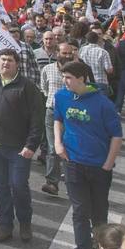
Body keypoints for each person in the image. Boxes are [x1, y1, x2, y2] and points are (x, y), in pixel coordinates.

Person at [55, 59, 124, 249]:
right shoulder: (61, 97)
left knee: (99, 213)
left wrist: (108, 163)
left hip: (98, 166)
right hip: (73, 163)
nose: (65, 82)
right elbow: (57, 119)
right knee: (79, 212)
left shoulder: (103, 103)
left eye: (69, 78)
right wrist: (58, 143)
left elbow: (116, 135)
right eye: (63, 77)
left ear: (83, 78)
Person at [0, 48, 44, 242]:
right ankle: (5, 224)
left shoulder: (27, 87)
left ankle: (25, 222)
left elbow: (38, 118)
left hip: (19, 149)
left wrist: (31, 145)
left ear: (17, 64)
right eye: (3, 60)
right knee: (1, 187)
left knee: (19, 185)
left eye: (10, 61)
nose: (5, 63)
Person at [40, 39, 77, 196]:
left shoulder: (78, 71)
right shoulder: (47, 69)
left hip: (73, 114)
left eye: (70, 53)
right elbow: (44, 89)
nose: (67, 56)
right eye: (64, 53)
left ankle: (73, 183)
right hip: (52, 113)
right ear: (57, 54)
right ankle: (52, 182)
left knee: (71, 147)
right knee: (53, 147)